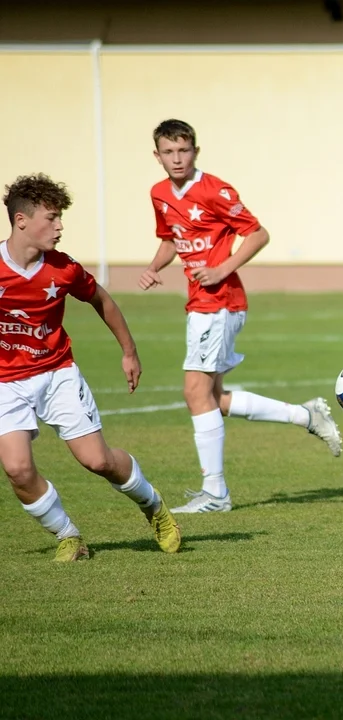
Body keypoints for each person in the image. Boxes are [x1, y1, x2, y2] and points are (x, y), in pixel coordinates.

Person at [139, 119, 341, 514]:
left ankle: (215, 494)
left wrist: (221, 269)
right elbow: (172, 238)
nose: (177, 158)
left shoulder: (216, 189)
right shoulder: (160, 193)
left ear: (196, 151)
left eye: (183, 150)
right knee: (212, 397)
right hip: (201, 303)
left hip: (221, 301)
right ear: (157, 155)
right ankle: (306, 415)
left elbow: (258, 233)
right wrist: (154, 267)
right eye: (169, 152)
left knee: (195, 393)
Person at [2, 174, 181, 561]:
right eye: (52, 218)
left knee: (97, 460)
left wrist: (129, 351)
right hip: (5, 382)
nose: (60, 226)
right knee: (17, 469)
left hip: (56, 373)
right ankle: (69, 536)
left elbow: (102, 300)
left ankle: (154, 506)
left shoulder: (63, 269)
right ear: (21, 221)